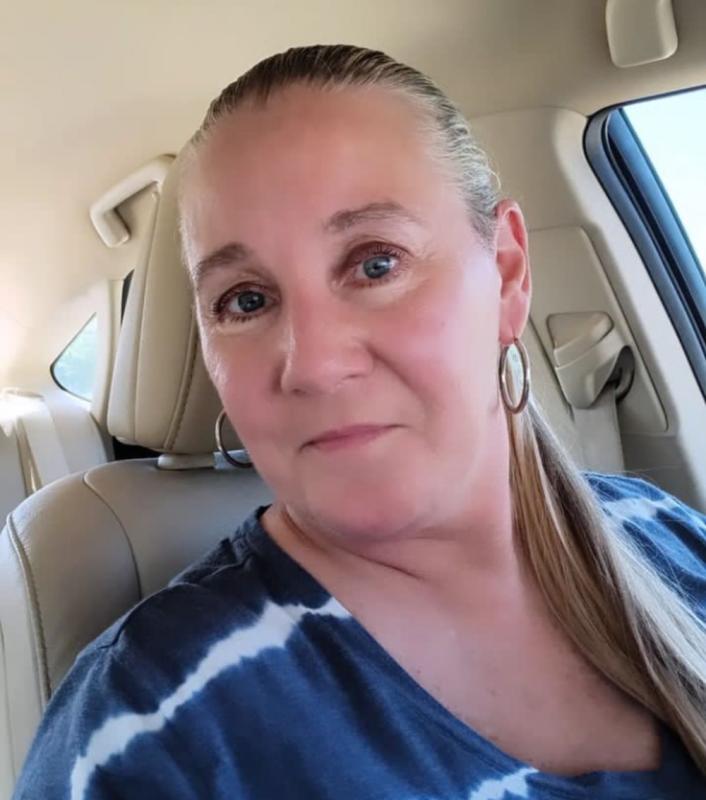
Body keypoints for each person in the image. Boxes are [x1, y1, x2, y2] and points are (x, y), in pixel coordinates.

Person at [14, 44, 706, 800]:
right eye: (246, 300)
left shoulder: (667, 535)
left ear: (508, 274)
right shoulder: (142, 734)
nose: (312, 365)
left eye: (376, 263)